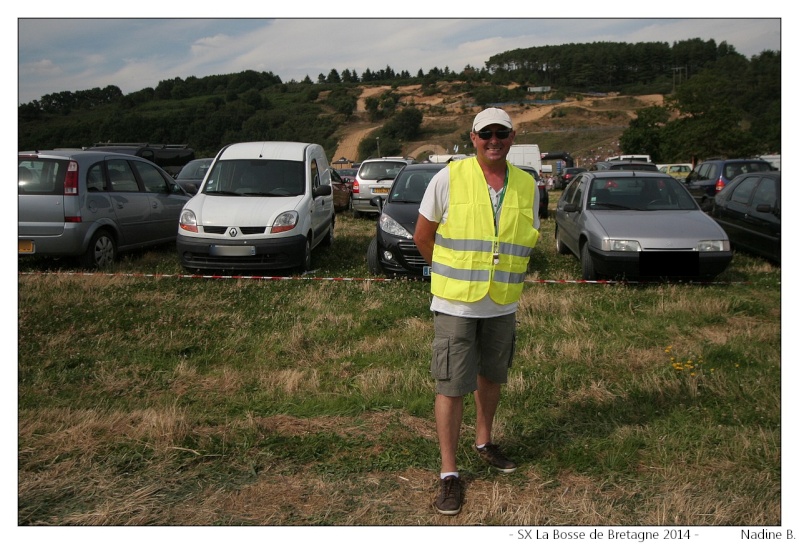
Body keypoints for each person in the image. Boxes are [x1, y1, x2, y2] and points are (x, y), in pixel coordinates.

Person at [413, 107, 540, 516]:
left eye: (501, 133)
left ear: (512, 137)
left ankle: (484, 442)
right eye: (486, 133)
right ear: (473, 137)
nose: (493, 140)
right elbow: (422, 236)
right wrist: (452, 278)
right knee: (451, 384)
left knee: (493, 375)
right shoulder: (447, 177)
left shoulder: (527, 185)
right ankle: (449, 474)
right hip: (456, 303)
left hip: (502, 302)